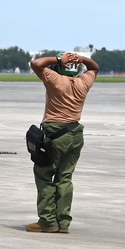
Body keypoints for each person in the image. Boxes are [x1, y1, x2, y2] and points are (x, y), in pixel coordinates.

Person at [26, 51, 100, 233]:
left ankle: (48, 220)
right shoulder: (83, 82)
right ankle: (63, 222)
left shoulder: (55, 79)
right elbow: (95, 67)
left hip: (55, 133)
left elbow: (36, 63)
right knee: (65, 178)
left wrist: (59, 60)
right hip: (75, 133)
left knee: (44, 174)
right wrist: (81, 59)